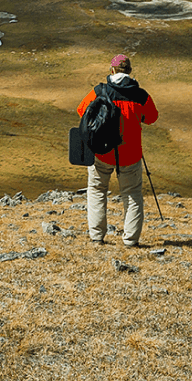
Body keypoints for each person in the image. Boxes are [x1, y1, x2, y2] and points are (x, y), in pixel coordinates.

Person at [76, 53, 158, 247]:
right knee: (132, 194)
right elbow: (152, 117)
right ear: (129, 72)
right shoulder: (141, 95)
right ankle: (130, 240)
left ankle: (97, 237)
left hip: (101, 152)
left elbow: (81, 110)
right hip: (130, 154)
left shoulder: (99, 91)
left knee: (97, 190)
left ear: (111, 70)